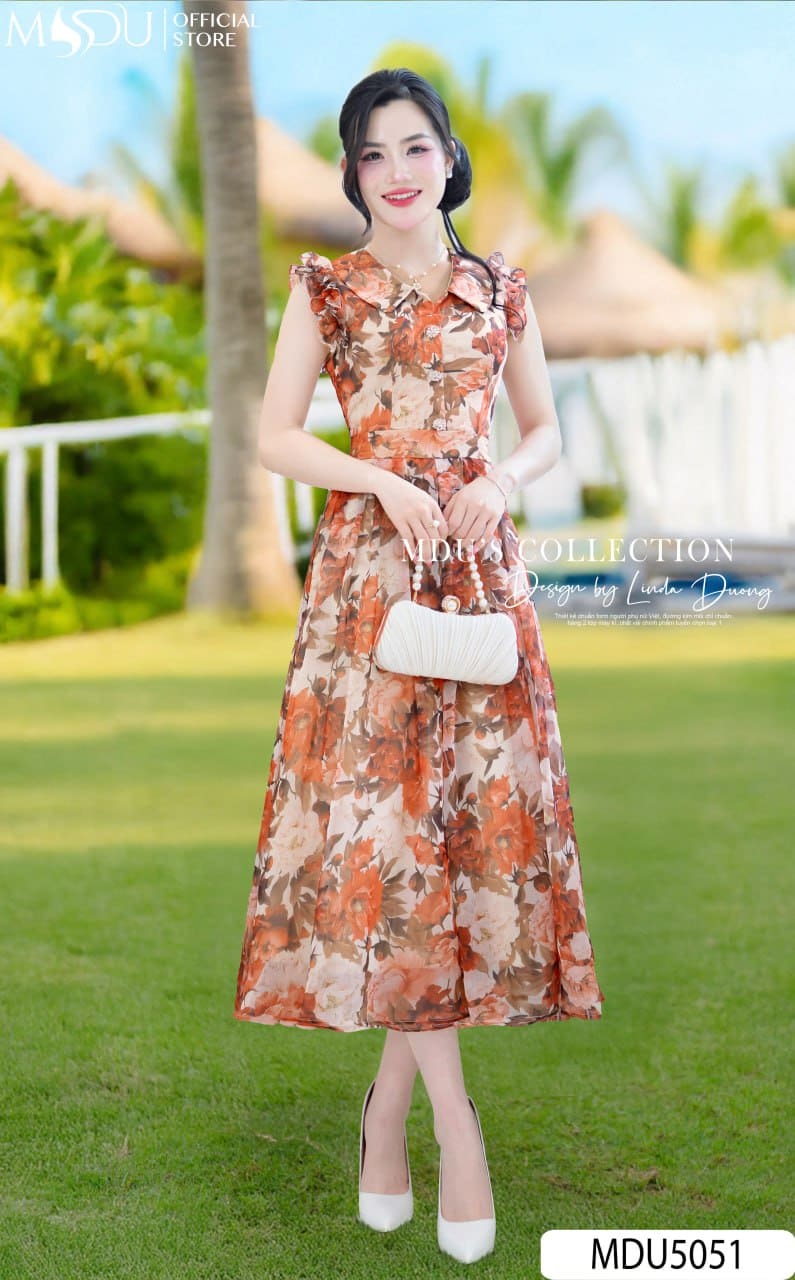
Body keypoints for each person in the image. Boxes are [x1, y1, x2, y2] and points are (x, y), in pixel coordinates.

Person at [233, 68, 605, 1264]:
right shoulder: (327, 288)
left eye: (414, 147)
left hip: (481, 583)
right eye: (372, 154)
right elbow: (273, 435)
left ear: (448, 156)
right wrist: (379, 479)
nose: (396, 171)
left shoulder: (504, 292)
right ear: (355, 174)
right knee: (392, 847)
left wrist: (499, 478)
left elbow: (544, 432)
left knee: (461, 845)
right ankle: (453, 1124)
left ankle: (384, 1110)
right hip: (366, 588)